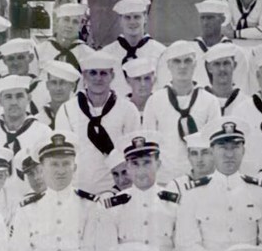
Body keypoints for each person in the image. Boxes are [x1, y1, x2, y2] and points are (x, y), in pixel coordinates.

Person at [173, 120, 262, 251]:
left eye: (235, 146)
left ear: (244, 150)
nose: (229, 154)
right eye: (222, 147)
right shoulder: (193, 194)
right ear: (211, 151)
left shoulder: (259, 192)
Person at [7, 132, 102, 251]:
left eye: (66, 163)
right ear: (41, 169)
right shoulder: (27, 209)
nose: (61, 170)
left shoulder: (89, 206)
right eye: (54, 164)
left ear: (74, 167)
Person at [96, 131, 184, 251]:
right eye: (135, 164)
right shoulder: (113, 207)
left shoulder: (174, 205)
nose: (141, 170)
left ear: (158, 164)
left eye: (147, 163)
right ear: (127, 167)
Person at [54, 50, 142, 196]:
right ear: (84, 77)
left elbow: (132, 154)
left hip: (116, 190)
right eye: (93, 73)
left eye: (103, 73)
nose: (98, 78)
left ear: (112, 76)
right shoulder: (68, 109)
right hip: (78, 190)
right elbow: (64, 154)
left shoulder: (127, 109)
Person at [143, 41, 220, 182]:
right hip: (164, 178)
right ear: (169, 65)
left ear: (195, 64)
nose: (182, 66)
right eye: (177, 61)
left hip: (200, 178)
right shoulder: (155, 100)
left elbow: (214, 144)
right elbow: (149, 145)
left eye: (187, 61)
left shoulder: (210, 101)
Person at [99, 0, 168, 97]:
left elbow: (164, 86)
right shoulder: (107, 53)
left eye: (137, 17)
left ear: (145, 18)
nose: (132, 22)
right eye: (127, 17)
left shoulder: (160, 52)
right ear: (120, 21)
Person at [0, 76, 50, 162]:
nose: (14, 102)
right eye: (8, 97)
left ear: (28, 98)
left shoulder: (43, 132)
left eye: (19, 96)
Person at [36, 2, 91, 74]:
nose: (70, 25)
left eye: (75, 22)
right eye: (66, 19)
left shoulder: (89, 54)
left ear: (80, 26)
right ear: (57, 21)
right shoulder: (39, 51)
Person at [38, 59, 81, 130]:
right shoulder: (39, 120)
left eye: (63, 82)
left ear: (72, 86)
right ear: (47, 85)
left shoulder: (79, 117)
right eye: (54, 83)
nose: (58, 88)